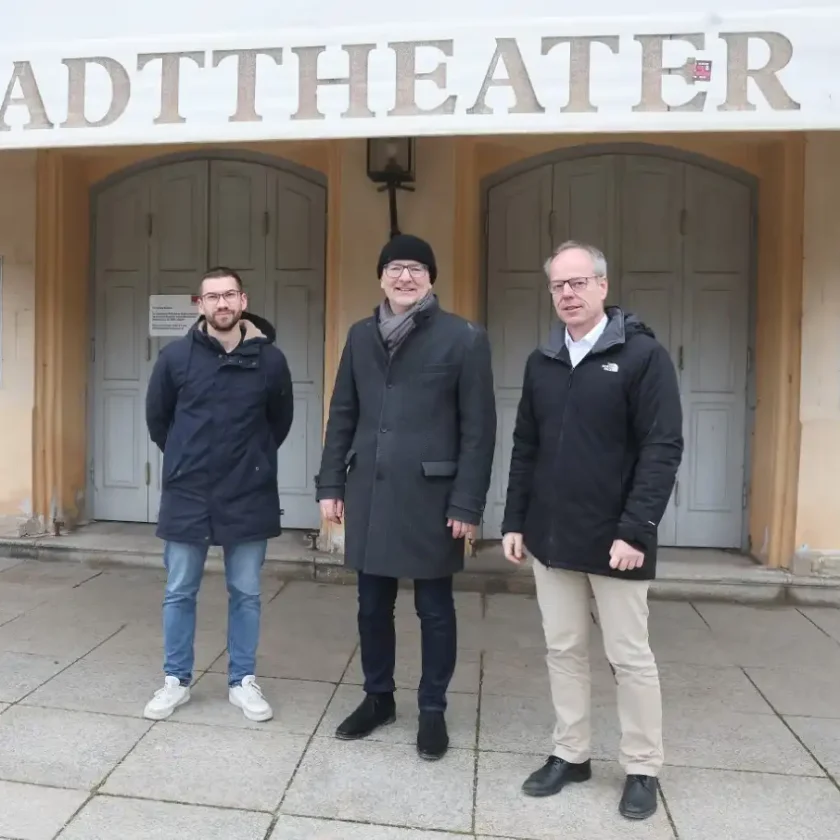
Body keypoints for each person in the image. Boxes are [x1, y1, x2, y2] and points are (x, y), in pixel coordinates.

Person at [501, 241, 683, 820]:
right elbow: (525, 445)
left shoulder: (642, 357)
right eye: (559, 285)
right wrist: (513, 520)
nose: (569, 294)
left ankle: (642, 766)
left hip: (617, 539)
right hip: (550, 536)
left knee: (629, 656)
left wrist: (636, 530)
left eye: (579, 282)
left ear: (604, 286)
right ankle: (570, 754)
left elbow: (662, 448)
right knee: (563, 648)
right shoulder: (542, 361)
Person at [316, 234, 496, 760]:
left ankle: (433, 709)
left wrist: (468, 504)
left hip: (433, 498)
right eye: (395, 267)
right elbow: (342, 415)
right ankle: (378, 698)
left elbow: (478, 430)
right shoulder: (360, 335)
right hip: (368, 490)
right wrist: (330, 485)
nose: (405, 277)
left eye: (416, 268)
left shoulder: (463, 337)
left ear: (431, 278)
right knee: (372, 605)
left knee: (435, 608)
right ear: (381, 277)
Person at [143, 266, 294, 723]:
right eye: (213, 297)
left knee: (246, 592)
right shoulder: (175, 358)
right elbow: (159, 420)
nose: (222, 304)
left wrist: (254, 461)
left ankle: (242, 681)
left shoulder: (271, 361)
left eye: (229, 295)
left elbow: (279, 422)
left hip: (248, 492)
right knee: (178, 590)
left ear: (243, 301)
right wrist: (187, 459)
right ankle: (176, 680)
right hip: (188, 492)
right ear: (199, 304)